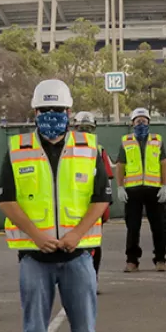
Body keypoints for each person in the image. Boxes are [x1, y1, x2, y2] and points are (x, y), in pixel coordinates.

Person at [0, 79, 111, 332]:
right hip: (35, 258)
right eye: (46, 110)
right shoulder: (17, 149)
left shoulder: (90, 148)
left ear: (69, 111)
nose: (52, 115)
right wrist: (35, 235)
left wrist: (76, 234)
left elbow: (101, 198)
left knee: (85, 329)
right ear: (35, 111)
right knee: (35, 331)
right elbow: (6, 199)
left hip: (78, 256)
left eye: (58, 109)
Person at [115, 107, 166, 272]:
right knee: (133, 227)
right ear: (132, 123)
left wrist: (164, 185)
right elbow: (120, 165)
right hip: (132, 190)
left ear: (149, 122)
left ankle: (160, 260)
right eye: (138, 121)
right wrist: (120, 187)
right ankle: (132, 261)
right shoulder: (126, 141)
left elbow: (164, 163)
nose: (141, 124)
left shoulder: (157, 140)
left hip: (154, 189)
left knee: (158, 226)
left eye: (144, 121)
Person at [73, 110, 114, 288]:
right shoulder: (66, 149)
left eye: (89, 128)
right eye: (82, 128)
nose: (85, 132)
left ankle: (92, 279)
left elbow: (106, 178)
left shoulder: (98, 149)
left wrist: (104, 207)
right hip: (72, 205)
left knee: (93, 244)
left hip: (93, 206)